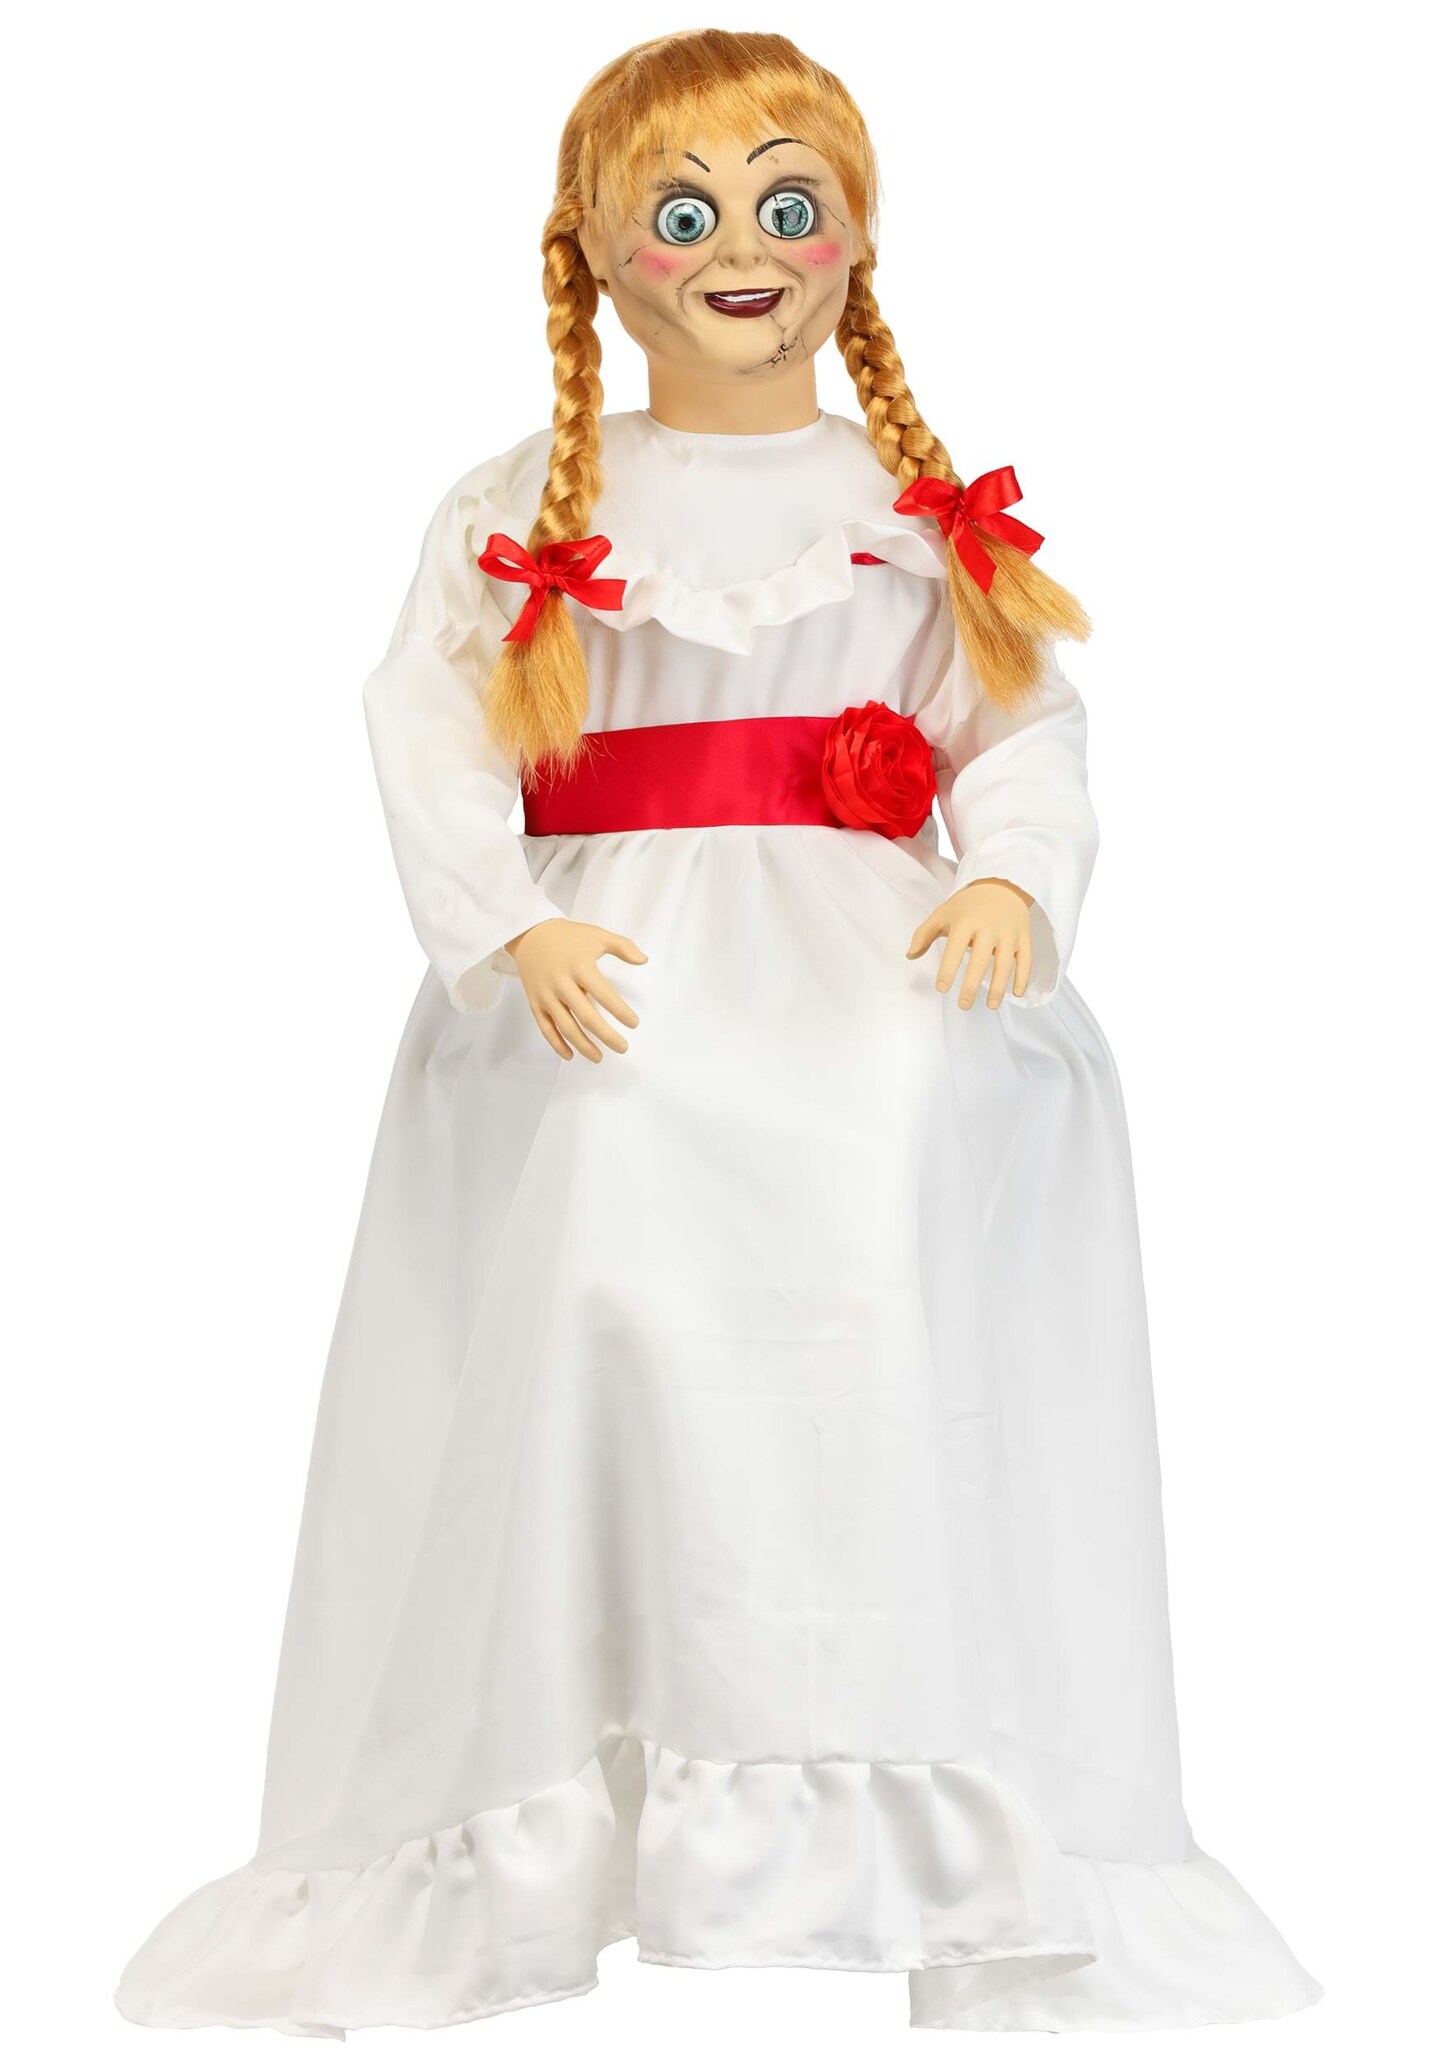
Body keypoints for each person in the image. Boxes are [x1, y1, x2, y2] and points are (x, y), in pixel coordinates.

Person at [115, 29, 1322, 2036]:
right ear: (600, 252)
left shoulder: (910, 507)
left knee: (873, 1235)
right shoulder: (522, 505)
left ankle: (899, 1761)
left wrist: (1015, 877)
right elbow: (428, 727)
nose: (742, 249)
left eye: (787, 204)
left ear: (856, 236)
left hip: (864, 966)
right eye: (685, 213)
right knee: (606, 1235)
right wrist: (502, 923)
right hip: (612, 969)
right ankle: (576, 1751)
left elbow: (1021, 728)